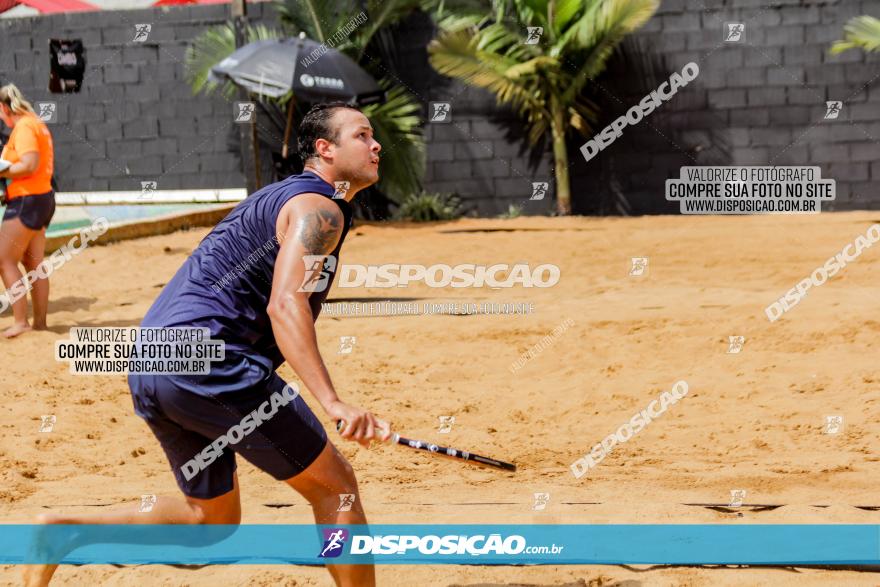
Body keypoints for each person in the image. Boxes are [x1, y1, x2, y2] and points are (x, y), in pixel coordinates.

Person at [23, 102, 389, 587]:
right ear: (324, 149)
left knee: (208, 523)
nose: (376, 144)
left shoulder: (281, 198)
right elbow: (286, 305)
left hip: (153, 359)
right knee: (336, 488)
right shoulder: (319, 208)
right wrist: (332, 400)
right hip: (210, 363)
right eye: (361, 135)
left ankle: (63, 534)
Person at [0, 83, 56, 338]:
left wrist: (2, 170)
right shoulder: (36, 123)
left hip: (27, 200)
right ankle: (40, 324)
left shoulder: (23, 127)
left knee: (4, 260)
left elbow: (29, 164)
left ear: (5, 107)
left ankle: (21, 320)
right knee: (34, 263)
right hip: (43, 198)